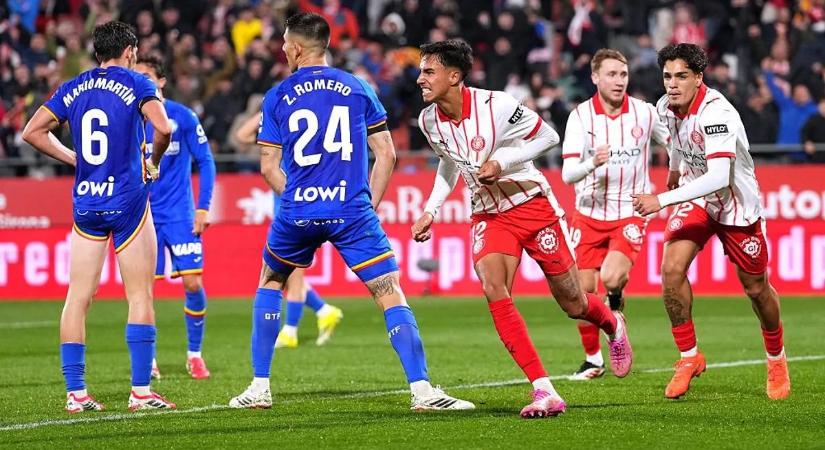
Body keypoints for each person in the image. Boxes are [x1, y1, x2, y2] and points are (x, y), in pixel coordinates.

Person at [228, 13, 473, 411]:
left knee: (271, 281)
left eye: (286, 44)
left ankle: (258, 388)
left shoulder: (277, 96)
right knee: (389, 291)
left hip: (298, 211)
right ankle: (423, 391)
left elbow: (268, 167)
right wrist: (368, 206)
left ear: (297, 47)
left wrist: (297, 199)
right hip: (352, 211)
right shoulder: (358, 87)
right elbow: (386, 154)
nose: (284, 49)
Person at [411, 39, 632, 419]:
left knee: (574, 303)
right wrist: (431, 209)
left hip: (531, 204)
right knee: (493, 287)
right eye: (421, 71)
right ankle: (544, 389)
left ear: (454, 76)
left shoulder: (496, 105)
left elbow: (549, 137)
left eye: (429, 71)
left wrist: (502, 161)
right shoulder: (428, 120)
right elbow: (448, 163)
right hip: (488, 213)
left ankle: (613, 323)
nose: (420, 79)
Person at [21, 21, 176, 412]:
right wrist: (153, 162)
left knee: (77, 297)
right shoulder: (138, 83)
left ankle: (76, 393)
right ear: (130, 51)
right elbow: (163, 128)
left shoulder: (73, 87)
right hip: (127, 201)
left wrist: (74, 159)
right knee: (139, 295)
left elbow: (32, 132)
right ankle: (141, 392)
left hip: (87, 203)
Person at [632, 43, 790, 400]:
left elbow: (719, 177)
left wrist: (661, 199)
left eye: (681, 76)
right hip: (698, 198)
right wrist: (674, 169)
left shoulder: (717, 114)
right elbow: (676, 139)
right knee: (671, 270)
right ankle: (689, 356)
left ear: (699, 77)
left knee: (756, 289)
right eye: (667, 76)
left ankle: (776, 357)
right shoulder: (666, 105)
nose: (672, 84)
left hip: (735, 205)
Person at [561, 48, 670, 380]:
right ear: (595, 77)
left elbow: (674, 143)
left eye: (623, 74)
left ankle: (616, 304)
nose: (619, 81)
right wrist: (591, 162)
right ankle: (593, 359)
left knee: (610, 277)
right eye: (611, 74)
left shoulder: (644, 113)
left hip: (629, 211)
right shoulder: (580, 117)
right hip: (588, 213)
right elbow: (567, 174)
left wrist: (680, 172)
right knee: (580, 295)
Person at [133, 55, 216, 380]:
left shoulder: (182, 116)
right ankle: (149, 359)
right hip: (144, 218)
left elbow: (206, 162)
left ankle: (195, 355)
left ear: (161, 81)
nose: (141, 81)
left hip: (181, 215)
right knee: (144, 291)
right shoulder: (131, 119)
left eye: (146, 76)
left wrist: (203, 207)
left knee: (193, 283)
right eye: (136, 76)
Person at [235, 112, 344, 348]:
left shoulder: (300, 129)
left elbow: (242, 136)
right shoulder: (281, 128)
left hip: (301, 206)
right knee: (284, 274)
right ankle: (324, 311)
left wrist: (267, 110)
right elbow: (241, 136)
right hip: (284, 207)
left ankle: (291, 331)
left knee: (292, 275)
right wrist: (268, 111)